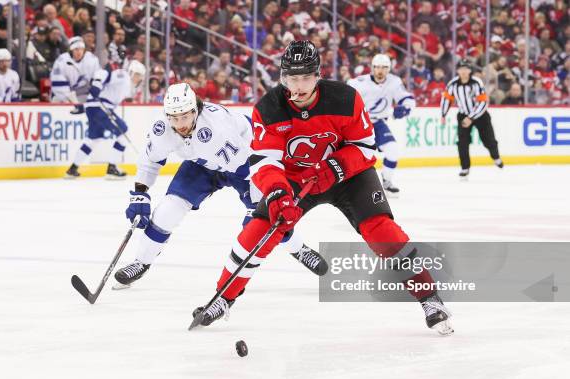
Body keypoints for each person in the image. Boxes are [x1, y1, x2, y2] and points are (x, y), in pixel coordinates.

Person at [192, 41, 453, 336]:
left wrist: (335, 168)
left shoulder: (345, 99)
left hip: (348, 175)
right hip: (294, 178)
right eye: (292, 78)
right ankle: (224, 297)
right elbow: (264, 161)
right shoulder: (268, 108)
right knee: (259, 228)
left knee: (381, 231)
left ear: (317, 75)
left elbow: (366, 148)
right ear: (282, 77)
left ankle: (430, 298)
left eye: (305, 77)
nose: (298, 86)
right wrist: (277, 192)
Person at [113, 83, 327, 288]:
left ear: (195, 111)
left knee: (267, 217)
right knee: (169, 209)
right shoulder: (162, 129)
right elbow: (150, 159)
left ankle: (299, 249)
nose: (181, 125)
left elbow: (246, 167)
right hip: (202, 163)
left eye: (185, 117)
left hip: (247, 159)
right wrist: (140, 194)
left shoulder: (217, 130)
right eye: (174, 118)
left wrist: (256, 205)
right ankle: (141, 262)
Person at [65, 60, 146, 179]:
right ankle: (112, 169)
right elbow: (103, 73)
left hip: (95, 108)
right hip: (100, 108)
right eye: (138, 75)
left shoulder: (127, 85)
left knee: (93, 140)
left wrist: (86, 105)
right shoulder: (123, 76)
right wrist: (97, 84)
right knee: (123, 133)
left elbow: (107, 91)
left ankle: (72, 169)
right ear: (132, 72)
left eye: (140, 76)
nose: (139, 79)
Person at [347, 54, 415, 195]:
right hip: (360, 124)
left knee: (393, 149)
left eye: (384, 67)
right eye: (377, 67)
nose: (380, 70)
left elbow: (407, 98)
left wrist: (405, 108)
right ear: (372, 68)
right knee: (357, 155)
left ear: (389, 69)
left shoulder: (394, 82)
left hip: (378, 123)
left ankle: (387, 180)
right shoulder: (359, 82)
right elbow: (346, 96)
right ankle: (350, 185)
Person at [441, 59, 503, 178]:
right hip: (463, 115)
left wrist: (471, 117)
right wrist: (443, 114)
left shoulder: (477, 82)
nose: (463, 71)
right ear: (458, 70)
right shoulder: (452, 84)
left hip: (481, 115)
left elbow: (483, 103)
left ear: (470, 70)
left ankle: (496, 157)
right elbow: (446, 99)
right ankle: (465, 167)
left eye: (466, 69)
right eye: (461, 69)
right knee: (462, 143)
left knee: (489, 140)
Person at [50, 36, 100, 103]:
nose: (79, 52)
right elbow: (57, 84)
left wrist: (96, 92)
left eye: (81, 49)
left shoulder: (92, 59)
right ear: (71, 50)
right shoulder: (61, 61)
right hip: (62, 96)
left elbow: (98, 78)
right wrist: (69, 99)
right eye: (76, 49)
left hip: (83, 94)